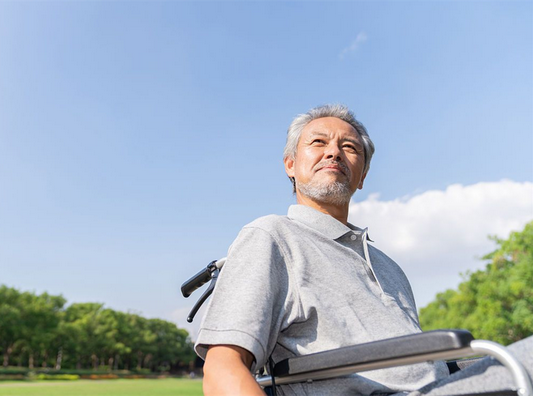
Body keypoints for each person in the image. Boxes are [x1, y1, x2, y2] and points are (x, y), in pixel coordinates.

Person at [193, 104, 533, 396]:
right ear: (290, 165)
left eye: (349, 147)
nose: (334, 152)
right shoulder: (271, 236)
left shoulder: (389, 268)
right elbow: (223, 370)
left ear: (362, 176)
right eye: (318, 142)